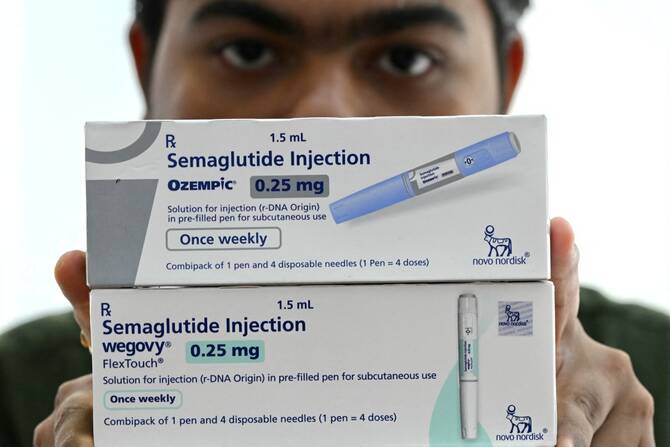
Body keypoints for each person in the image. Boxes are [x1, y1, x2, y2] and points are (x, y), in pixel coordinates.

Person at [0, 1, 666, 446]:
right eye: (247, 52)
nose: (325, 115)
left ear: (506, 79)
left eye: (407, 59)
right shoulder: (15, 392)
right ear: (145, 64)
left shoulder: (648, 378)